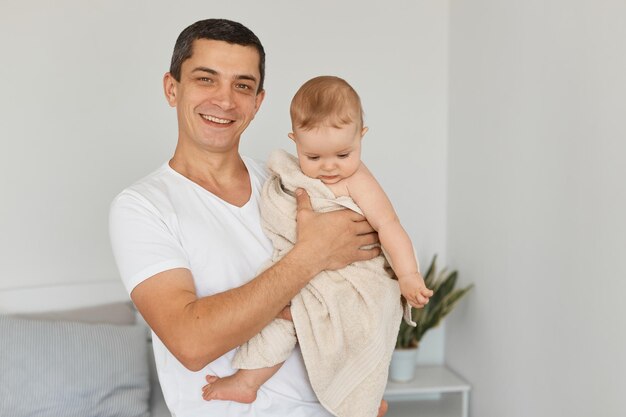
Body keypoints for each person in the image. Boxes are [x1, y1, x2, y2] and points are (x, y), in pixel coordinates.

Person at [109, 19, 387, 417]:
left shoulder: (289, 184)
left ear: (257, 102)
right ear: (173, 89)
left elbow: (359, 278)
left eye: (242, 85)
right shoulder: (142, 206)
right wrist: (312, 254)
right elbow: (191, 342)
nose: (225, 101)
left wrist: (366, 383)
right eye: (206, 79)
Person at [201, 75, 433, 416]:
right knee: (283, 318)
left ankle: (363, 395)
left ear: (361, 137)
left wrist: (409, 274)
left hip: (353, 275)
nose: (329, 167)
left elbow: (388, 225)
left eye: (343, 153)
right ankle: (247, 382)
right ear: (295, 143)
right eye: (313, 156)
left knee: (356, 328)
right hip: (305, 270)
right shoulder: (292, 175)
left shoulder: (357, 179)